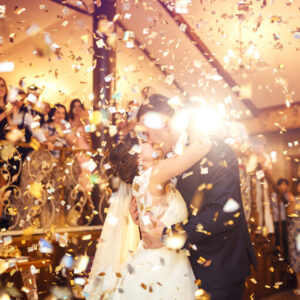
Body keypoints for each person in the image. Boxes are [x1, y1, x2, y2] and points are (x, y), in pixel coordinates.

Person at [130, 94, 257, 300]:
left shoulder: (215, 149)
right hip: (179, 271)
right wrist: (143, 213)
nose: (148, 141)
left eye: (148, 132)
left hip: (217, 268)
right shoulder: (168, 159)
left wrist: (168, 234)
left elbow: (224, 213)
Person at [84, 125, 212, 299]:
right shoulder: (157, 173)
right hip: (165, 266)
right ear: (137, 155)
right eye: (144, 141)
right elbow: (203, 145)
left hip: (154, 259)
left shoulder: (141, 181)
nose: (152, 140)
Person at [271, 178, 291, 262]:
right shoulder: (273, 195)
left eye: (285, 184)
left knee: (285, 238)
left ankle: (286, 258)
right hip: (275, 221)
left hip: (284, 221)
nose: (284, 186)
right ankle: (277, 257)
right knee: (276, 238)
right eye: (282, 184)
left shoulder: (287, 196)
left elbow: (289, 207)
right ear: (278, 186)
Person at [287, 179, 300, 295]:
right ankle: (299, 287)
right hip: (295, 235)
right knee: (296, 261)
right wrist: (292, 202)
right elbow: (289, 212)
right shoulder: (294, 200)